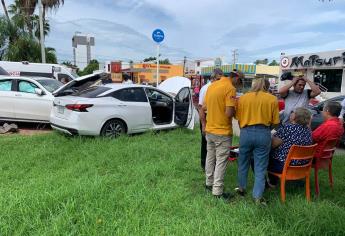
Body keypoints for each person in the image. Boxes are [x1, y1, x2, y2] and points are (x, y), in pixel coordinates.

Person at [235, 78, 280, 205]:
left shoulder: (243, 98)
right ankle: (257, 197)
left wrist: (244, 130)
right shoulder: (272, 99)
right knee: (260, 166)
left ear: (253, 85)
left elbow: (239, 119)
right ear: (267, 86)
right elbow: (276, 123)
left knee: (243, 162)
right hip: (263, 133)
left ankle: (241, 188)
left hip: (246, 132)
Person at [200, 69, 241, 200]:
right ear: (236, 78)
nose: (239, 85)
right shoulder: (230, 88)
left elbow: (203, 108)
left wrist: (204, 124)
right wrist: (237, 108)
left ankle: (208, 183)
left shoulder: (212, 86)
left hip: (210, 130)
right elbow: (229, 113)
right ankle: (217, 191)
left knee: (210, 157)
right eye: (240, 81)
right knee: (221, 161)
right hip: (222, 131)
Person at [268, 107, 313, 186]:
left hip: (284, 166)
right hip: (302, 166)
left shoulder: (287, 128)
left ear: (295, 116)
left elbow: (272, 145)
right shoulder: (308, 131)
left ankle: (271, 183)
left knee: (257, 158)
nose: (291, 113)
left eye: (293, 112)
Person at [198, 73, 218, 171]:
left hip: (212, 117)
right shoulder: (206, 88)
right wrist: (203, 124)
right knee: (206, 143)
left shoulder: (215, 88)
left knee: (211, 144)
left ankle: (210, 165)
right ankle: (204, 165)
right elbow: (201, 107)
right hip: (205, 117)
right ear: (213, 78)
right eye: (218, 78)